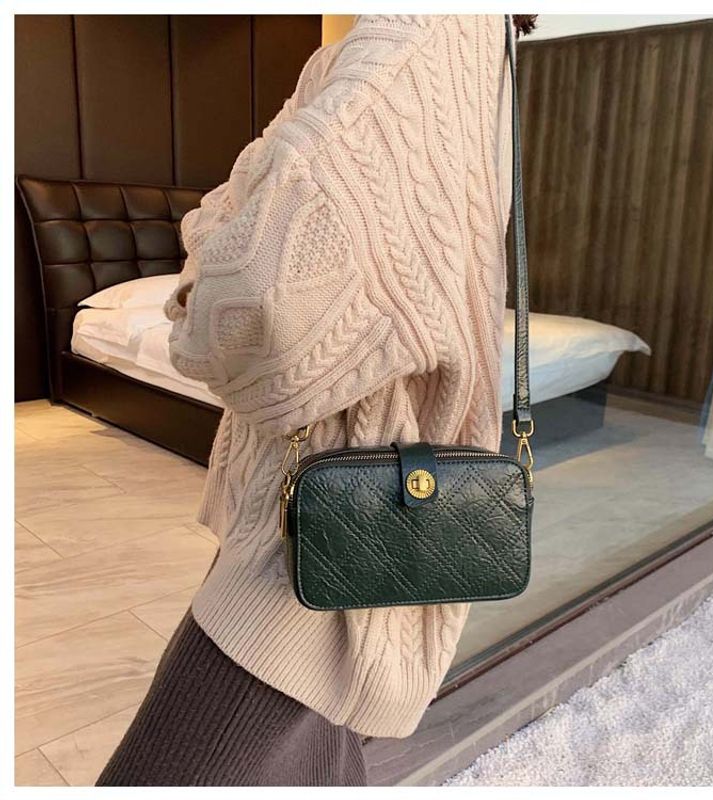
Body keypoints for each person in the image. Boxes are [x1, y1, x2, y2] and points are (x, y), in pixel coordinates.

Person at [96, 13, 536, 786]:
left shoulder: (411, 37)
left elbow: (246, 306)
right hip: (362, 520)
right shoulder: (479, 49)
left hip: (314, 535)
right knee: (318, 762)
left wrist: (207, 242)